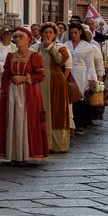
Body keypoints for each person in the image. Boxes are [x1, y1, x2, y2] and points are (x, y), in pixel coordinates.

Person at [0, 27, 47, 164]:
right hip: (12, 92)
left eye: (20, 37)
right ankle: (13, 154)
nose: (17, 39)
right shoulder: (11, 56)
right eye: (15, 37)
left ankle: (26, 154)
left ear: (28, 39)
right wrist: (3, 90)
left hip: (28, 93)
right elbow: (6, 74)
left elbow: (40, 75)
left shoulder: (35, 56)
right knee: (12, 120)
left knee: (26, 120)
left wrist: (23, 79)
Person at [38, 23, 72, 153]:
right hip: (40, 82)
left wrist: (50, 48)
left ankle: (57, 144)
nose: (48, 35)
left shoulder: (61, 47)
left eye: (51, 33)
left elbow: (60, 60)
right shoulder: (36, 48)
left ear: (55, 35)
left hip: (56, 82)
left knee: (56, 110)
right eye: (46, 32)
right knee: (42, 110)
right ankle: (43, 141)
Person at [64, 22, 97, 135]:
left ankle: (80, 124)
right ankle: (70, 124)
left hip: (82, 73)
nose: (73, 35)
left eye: (75, 32)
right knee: (69, 98)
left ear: (80, 32)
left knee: (80, 99)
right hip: (69, 72)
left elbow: (90, 64)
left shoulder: (87, 47)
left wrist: (92, 78)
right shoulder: (66, 45)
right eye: (71, 33)